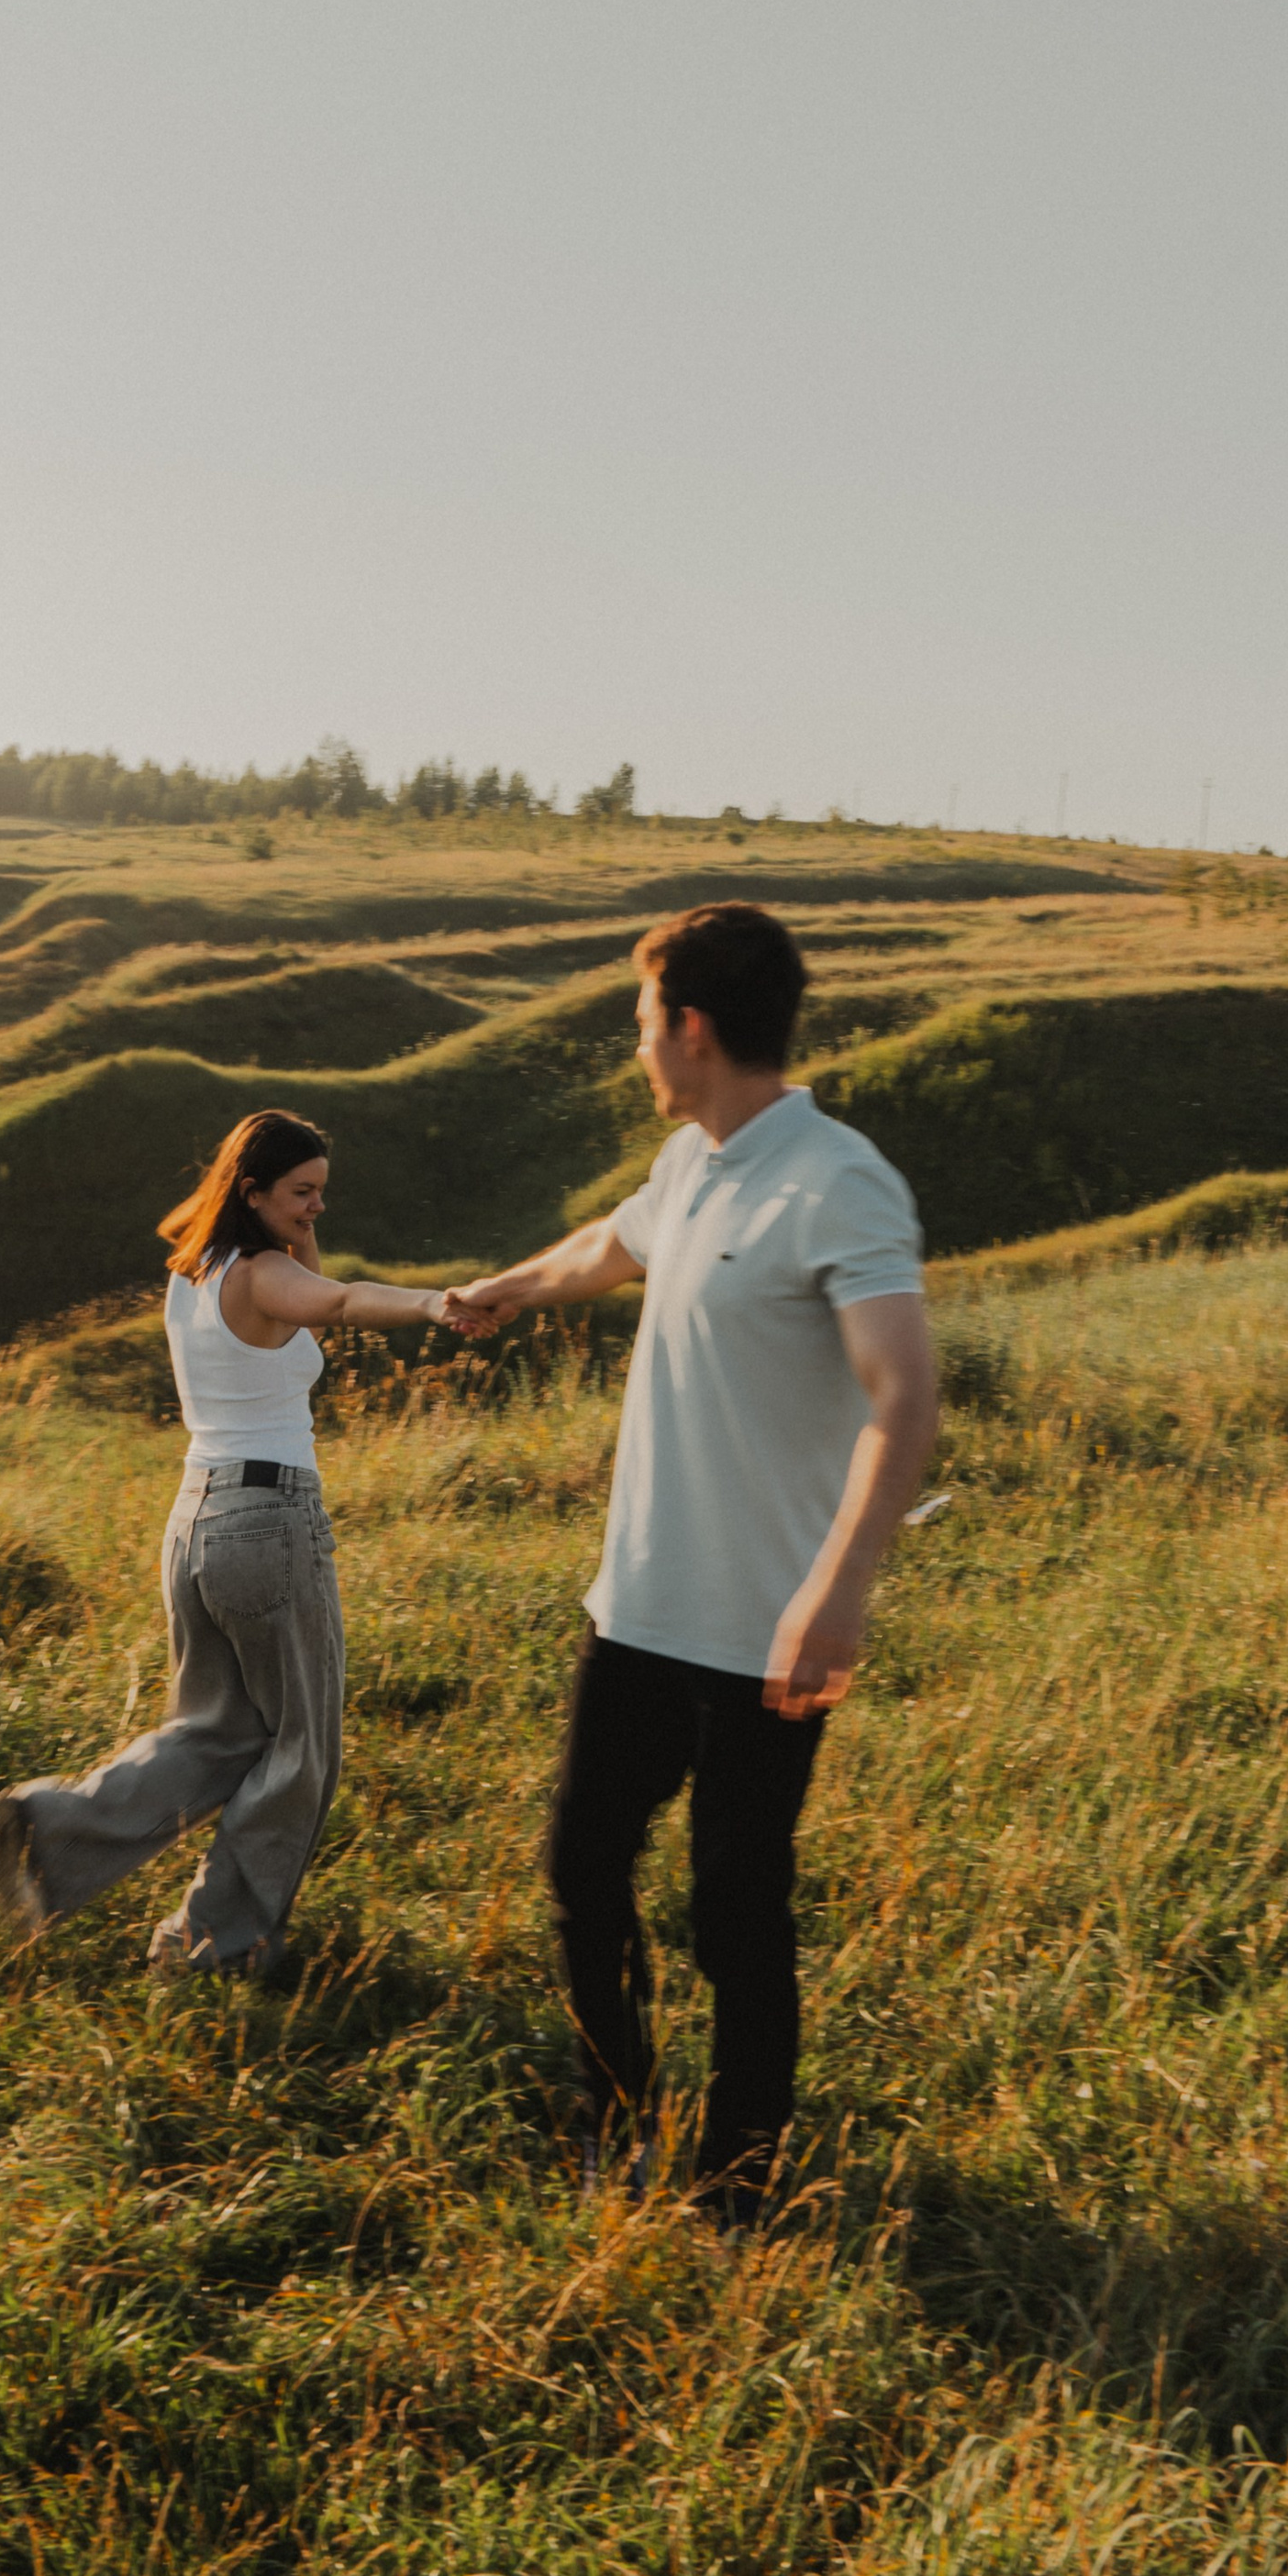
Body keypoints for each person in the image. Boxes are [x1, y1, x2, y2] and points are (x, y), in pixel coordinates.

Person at [446, 902, 938, 2217]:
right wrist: (506, 1290)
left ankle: (740, 2173)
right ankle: (613, 2110)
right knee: (581, 1868)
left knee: (735, 1910)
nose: (638, 1046)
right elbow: (610, 1247)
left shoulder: (837, 1180)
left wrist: (840, 1591)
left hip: (769, 1630)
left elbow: (908, 1399)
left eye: (642, 1021)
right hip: (639, 1610)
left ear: (694, 1027)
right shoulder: (689, 1163)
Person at [0, 1107, 463, 1979]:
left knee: (214, 1732)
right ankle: (215, 1944)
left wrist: (295, 1224)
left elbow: (311, 1300)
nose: (317, 1208)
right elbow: (345, 1301)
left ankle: (52, 1825)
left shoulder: (195, 1270)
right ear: (253, 1192)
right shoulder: (262, 1273)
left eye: (323, 1192)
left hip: (198, 1519)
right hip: (270, 1523)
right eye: (301, 1193)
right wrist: (434, 1301)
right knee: (302, 1748)